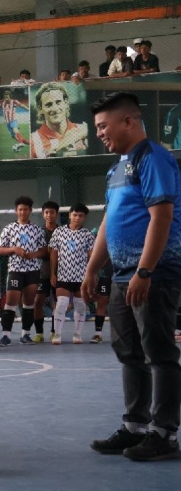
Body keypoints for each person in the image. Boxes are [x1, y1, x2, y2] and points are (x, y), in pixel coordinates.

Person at [85, 91, 181, 461]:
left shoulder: (153, 158)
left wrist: (145, 270)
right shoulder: (116, 169)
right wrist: (94, 268)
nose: (99, 133)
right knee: (129, 352)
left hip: (152, 274)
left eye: (103, 126)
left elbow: (162, 216)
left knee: (159, 352)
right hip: (123, 274)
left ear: (129, 121)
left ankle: (164, 433)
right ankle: (135, 426)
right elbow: (109, 222)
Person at [0, 196, 47, 346]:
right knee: (11, 301)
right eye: (20, 209)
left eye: (25, 209)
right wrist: (14, 249)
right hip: (15, 269)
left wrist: (34, 254)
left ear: (30, 211)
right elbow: (0, 250)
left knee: (29, 302)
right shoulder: (9, 228)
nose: (23, 212)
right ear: (16, 211)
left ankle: (25, 334)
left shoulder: (37, 230)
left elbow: (44, 250)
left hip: (32, 270)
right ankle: (6, 335)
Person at [49, 203, 95, 345]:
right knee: (61, 304)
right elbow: (53, 253)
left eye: (81, 215)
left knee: (80, 306)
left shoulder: (87, 235)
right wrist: (53, 273)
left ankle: (77, 334)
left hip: (81, 276)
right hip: (63, 275)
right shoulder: (59, 232)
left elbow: (91, 256)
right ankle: (57, 334)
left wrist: (91, 275)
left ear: (84, 217)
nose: (77, 218)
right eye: (74, 215)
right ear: (69, 215)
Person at [31, 82, 88, 158]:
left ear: (66, 103)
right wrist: (60, 148)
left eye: (58, 102)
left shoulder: (84, 129)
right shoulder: (34, 141)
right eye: (49, 104)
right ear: (40, 108)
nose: (55, 108)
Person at [33, 201, 60, 342]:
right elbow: (37, 251)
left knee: (58, 302)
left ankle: (55, 331)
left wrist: (53, 252)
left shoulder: (63, 231)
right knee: (38, 301)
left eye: (52, 212)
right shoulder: (38, 232)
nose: (49, 215)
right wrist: (45, 252)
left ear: (57, 214)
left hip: (60, 272)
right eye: (47, 212)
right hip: (42, 272)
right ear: (43, 214)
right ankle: (39, 333)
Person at [89, 227, 112, 344]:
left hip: (122, 272)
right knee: (102, 302)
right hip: (104, 274)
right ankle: (98, 334)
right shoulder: (96, 232)